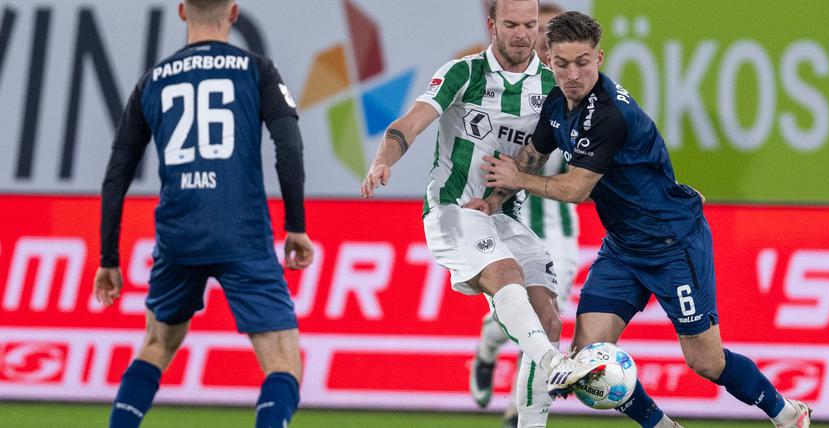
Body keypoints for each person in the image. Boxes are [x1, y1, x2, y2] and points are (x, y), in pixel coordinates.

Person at [480, 11, 812, 428]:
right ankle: (660, 425)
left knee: (706, 362)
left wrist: (519, 178)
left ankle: (787, 414)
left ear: (599, 58)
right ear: (549, 62)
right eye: (562, 64)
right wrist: (492, 202)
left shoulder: (607, 115)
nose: (573, 74)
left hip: (672, 243)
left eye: (583, 62)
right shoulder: (556, 104)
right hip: (623, 247)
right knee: (588, 361)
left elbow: (576, 190)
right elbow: (533, 153)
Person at [360, 1, 597, 426]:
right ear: (492, 25)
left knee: (548, 316)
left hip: (500, 214)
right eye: (512, 24)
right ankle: (552, 362)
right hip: (452, 210)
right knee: (507, 277)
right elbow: (410, 124)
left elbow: (535, 155)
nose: (524, 34)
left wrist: (497, 199)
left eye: (530, 24)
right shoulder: (463, 73)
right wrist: (384, 160)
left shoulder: (551, 85)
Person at [92, 1, 313, 427]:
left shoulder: (151, 81)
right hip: (241, 231)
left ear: (181, 12)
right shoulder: (256, 69)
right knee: (283, 361)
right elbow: (288, 146)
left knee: (156, 345)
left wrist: (108, 258)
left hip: (178, 235)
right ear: (233, 13)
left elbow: (116, 176)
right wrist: (296, 227)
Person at [466, 4, 581, 428]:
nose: (547, 45)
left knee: (552, 312)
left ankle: (518, 411)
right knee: (517, 314)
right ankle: (487, 346)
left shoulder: (573, 90)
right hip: (514, 212)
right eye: (542, 34)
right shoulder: (498, 82)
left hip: (561, 221)